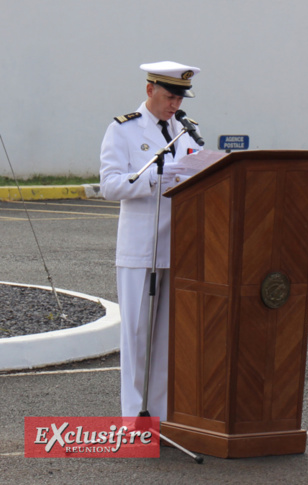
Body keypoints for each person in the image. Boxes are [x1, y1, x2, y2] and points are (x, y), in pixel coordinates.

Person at [100, 61, 202, 418]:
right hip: (140, 249)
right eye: (169, 96)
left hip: (178, 247)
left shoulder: (187, 131)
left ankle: (160, 419)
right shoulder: (123, 130)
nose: (175, 105)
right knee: (137, 339)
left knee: (167, 343)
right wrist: (157, 181)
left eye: (179, 98)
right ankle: (134, 421)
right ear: (149, 90)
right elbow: (110, 186)